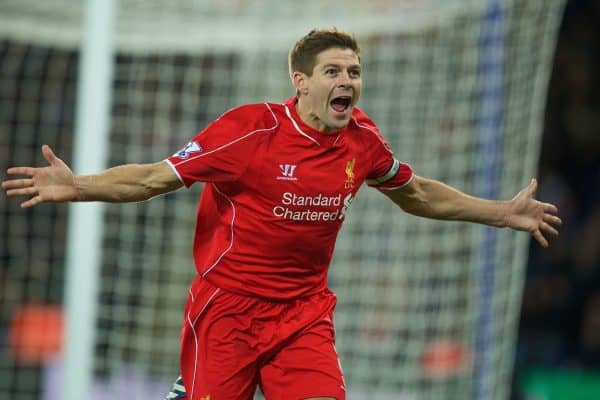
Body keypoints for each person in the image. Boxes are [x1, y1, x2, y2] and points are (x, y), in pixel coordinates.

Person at [1, 28, 561, 400]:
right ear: (302, 82)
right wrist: (79, 186)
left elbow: (416, 193)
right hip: (227, 310)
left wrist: (498, 213)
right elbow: (152, 177)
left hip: (302, 315)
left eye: (355, 72)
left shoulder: (363, 142)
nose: (348, 82)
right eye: (335, 72)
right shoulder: (250, 132)